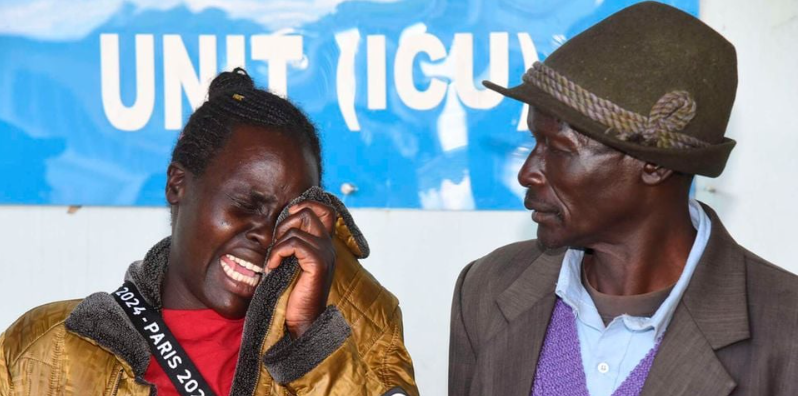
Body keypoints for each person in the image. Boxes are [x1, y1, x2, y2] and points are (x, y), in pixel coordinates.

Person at [449, 2, 797, 396]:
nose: (527, 172)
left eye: (559, 149)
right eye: (533, 141)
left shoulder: (787, 330)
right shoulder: (487, 289)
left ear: (653, 165)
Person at [0, 68, 418, 396]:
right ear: (177, 185)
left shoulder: (363, 338)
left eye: (287, 218)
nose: (267, 235)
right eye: (245, 205)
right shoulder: (43, 348)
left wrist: (310, 339)